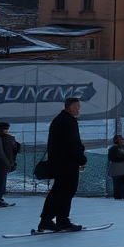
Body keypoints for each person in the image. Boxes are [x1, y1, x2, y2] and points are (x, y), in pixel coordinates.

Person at [39, 98, 87, 232]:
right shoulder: (67, 121)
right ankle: (62, 221)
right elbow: (70, 144)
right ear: (70, 107)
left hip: (59, 162)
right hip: (66, 163)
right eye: (77, 107)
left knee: (58, 190)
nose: (78, 109)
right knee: (67, 191)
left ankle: (46, 220)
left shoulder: (61, 120)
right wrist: (81, 158)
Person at [107, 135, 124, 200]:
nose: (121, 141)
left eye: (122, 139)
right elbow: (112, 158)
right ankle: (118, 197)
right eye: (119, 140)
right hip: (117, 169)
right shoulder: (113, 148)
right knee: (117, 185)